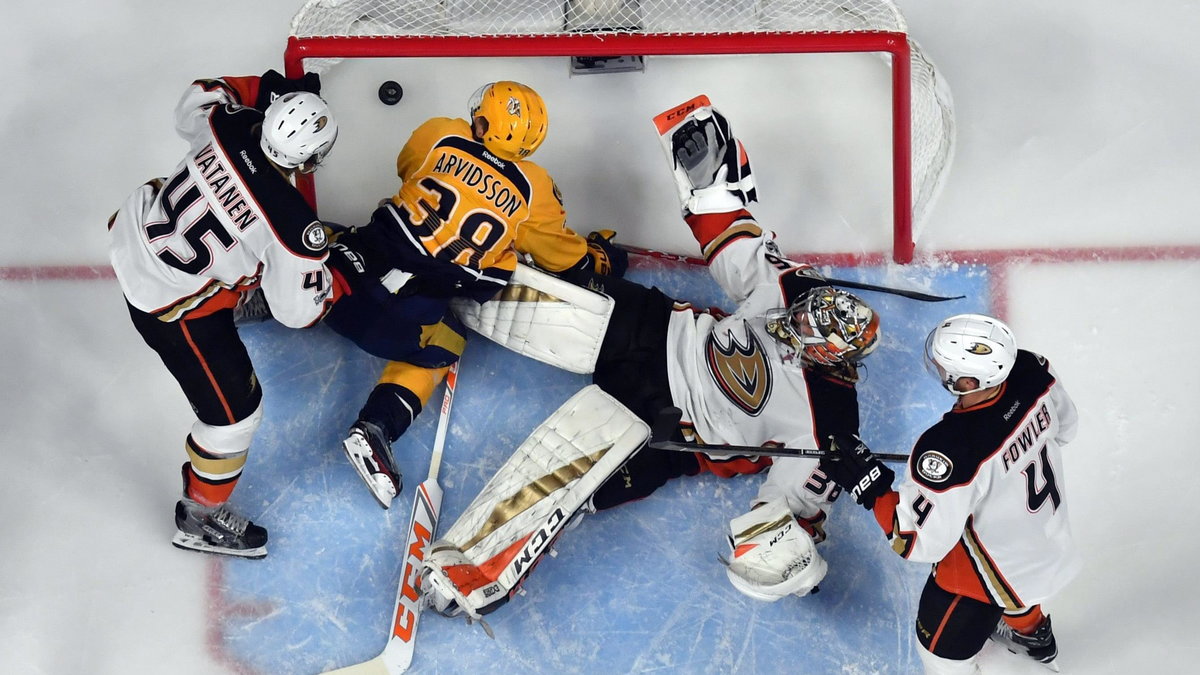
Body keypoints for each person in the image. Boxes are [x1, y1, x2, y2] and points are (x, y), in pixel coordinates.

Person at [418, 95, 882, 618]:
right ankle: (408, 273)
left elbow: (793, 511)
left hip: (669, 425)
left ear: (828, 357)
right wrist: (709, 184)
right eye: (803, 312)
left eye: (803, 330)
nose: (793, 319)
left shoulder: (831, 425)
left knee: (566, 478)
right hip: (654, 329)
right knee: (489, 283)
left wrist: (791, 552)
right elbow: (740, 250)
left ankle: (474, 571)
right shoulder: (799, 290)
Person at [324, 81, 628, 509]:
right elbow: (566, 261)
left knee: (332, 240)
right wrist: (603, 259)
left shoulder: (440, 131)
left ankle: (258, 297)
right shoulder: (535, 190)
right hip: (393, 322)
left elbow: (406, 167)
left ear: (484, 121)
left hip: (335, 286)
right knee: (446, 345)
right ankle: (375, 429)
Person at [109, 70, 355, 559]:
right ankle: (198, 517)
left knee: (245, 253)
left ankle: (234, 287)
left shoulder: (228, 122)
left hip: (136, 234)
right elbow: (296, 314)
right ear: (313, 158)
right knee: (235, 418)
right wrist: (338, 271)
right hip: (168, 307)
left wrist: (261, 90)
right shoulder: (292, 224)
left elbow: (193, 101)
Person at [819, 314, 1080, 673]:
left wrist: (872, 486)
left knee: (938, 657)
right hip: (1048, 543)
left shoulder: (949, 448)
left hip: (987, 578)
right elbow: (1065, 427)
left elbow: (915, 541)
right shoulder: (1031, 370)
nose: (939, 370)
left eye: (945, 367)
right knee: (1017, 582)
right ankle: (1033, 635)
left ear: (970, 380)